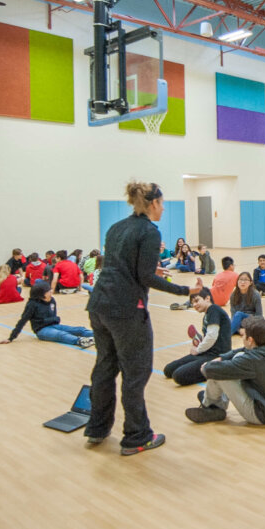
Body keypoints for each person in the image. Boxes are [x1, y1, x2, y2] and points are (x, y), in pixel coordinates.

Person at [84, 181, 202, 455]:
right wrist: (187, 290)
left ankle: (97, 428)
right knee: (136, 374)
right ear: (152, 204)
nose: (163, 208)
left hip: (99, 305)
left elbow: (122, 266)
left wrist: (149, 270)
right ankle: (137, 436)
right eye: (161, 203)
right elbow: (145, 277)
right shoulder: (149, 231)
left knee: (104, 368)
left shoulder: (116, 228)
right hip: (125, 311)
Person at [185, 316, 265, 425]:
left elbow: (212, 370)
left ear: (250, 340)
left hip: (263, 414)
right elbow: (242, 350)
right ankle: (214, 399)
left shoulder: (252, 360)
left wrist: (207, 366)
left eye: (243, 335)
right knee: (236, 357)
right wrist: (223, 357)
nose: (242, 336)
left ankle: (211, 407)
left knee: (217, 372)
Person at [163, 290, 232, 386]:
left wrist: (198, 350)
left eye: (196, 301)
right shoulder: (207, 314)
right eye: (192, 303)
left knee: (178, 376)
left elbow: (212, 336)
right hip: (206, 353)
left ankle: (218, 370)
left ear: (207, 298)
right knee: (168, 370)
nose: (194, 305)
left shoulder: (214, 309)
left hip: (217, 356)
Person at [0, 280, 95, 348]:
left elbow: (54, 317)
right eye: (48, 291)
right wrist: (11, 338)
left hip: (53, 325)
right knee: (61, 335)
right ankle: (80, 341)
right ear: (41, 294)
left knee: (78, 329)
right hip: (42, 330)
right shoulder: (32, 304)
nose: (51, 292)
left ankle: (100, 335)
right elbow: (23, 320)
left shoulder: (52, 300)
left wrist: (55, 320)